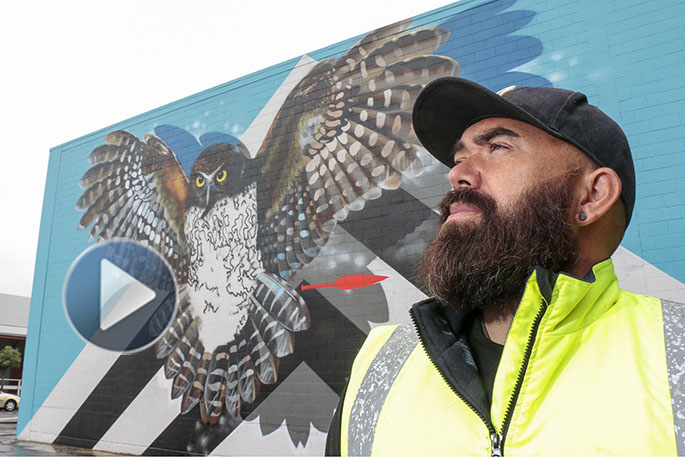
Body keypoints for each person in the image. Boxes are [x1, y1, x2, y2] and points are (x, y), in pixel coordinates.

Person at [325, 77, 685, 456]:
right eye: (459, 158)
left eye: (498, 147)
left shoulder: (675, 355)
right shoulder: (379, 364)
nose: (457, 174)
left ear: (592, 196)